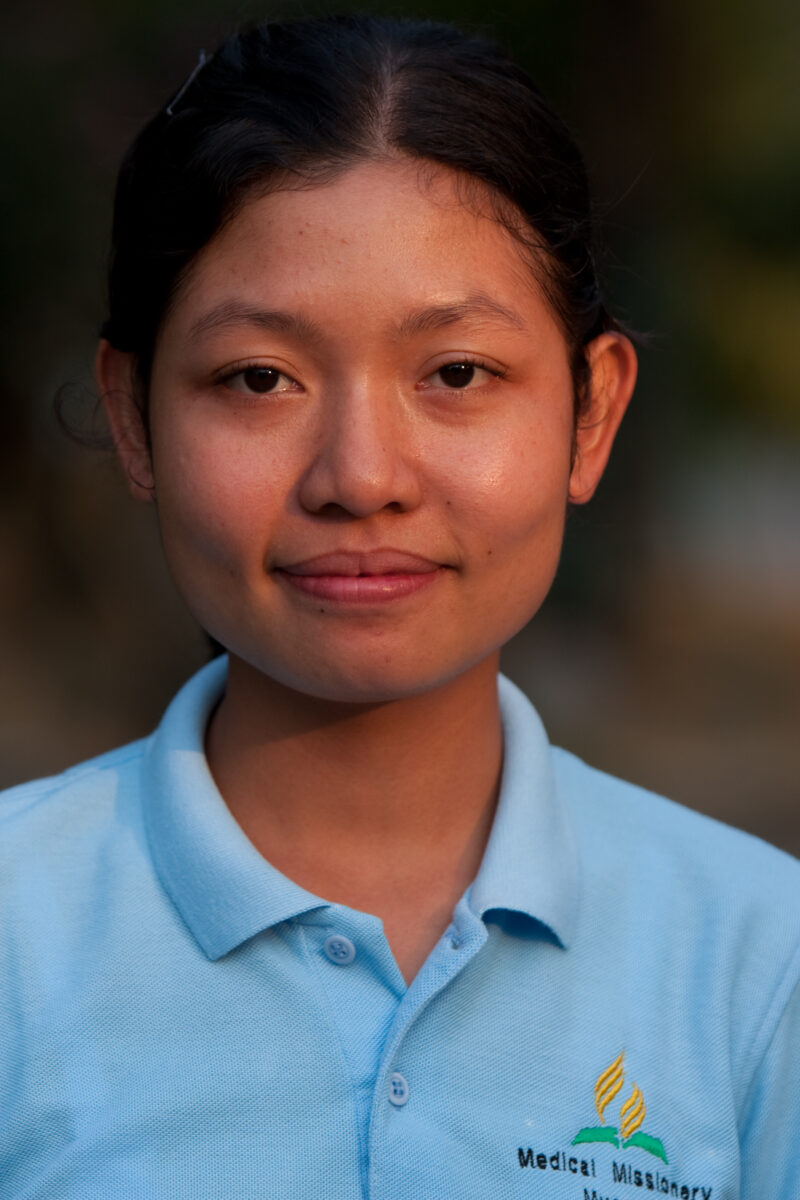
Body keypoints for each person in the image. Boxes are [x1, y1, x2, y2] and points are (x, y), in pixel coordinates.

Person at [1, 15, 797, 1199]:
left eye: (456, 375)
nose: (361, 476)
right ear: (133, 418)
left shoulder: (757, 960)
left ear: (589, 416)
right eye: (258, 378)